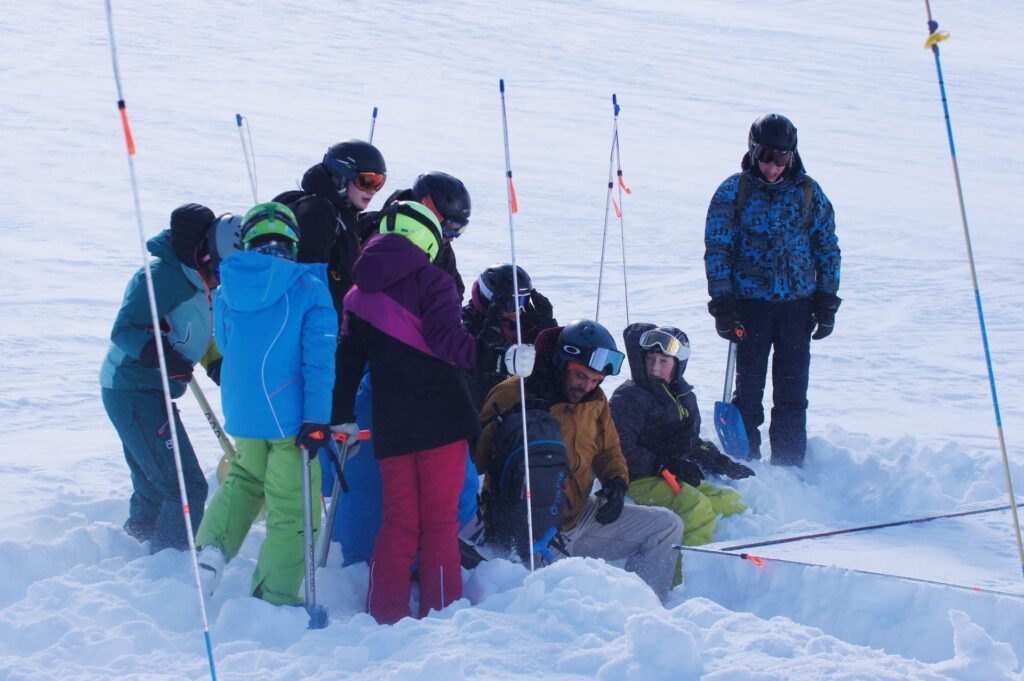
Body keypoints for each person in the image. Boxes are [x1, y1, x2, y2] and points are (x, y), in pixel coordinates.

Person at [331, 201, 533, 624]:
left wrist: (341, 415)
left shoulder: (355, 293)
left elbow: (347, 363)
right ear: (427, 238)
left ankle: (383, 616)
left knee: (399, 522)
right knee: (439, 524)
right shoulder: (433, 281)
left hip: (391, 424)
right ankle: (441, 618)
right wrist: (502, 359)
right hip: (440, 418)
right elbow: (448, 342)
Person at [475, 320, 684, 600]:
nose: (587, 386)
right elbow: (475, 458)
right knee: (553, 605)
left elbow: (609, 451)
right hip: (526, 532)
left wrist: (616, 484)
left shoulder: (595, 401)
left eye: (596, 380)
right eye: (580, 376)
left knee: (667, 526)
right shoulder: (515, 393)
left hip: (579, 517)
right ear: (563, 361)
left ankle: (647, 609)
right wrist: (513, 424)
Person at [194, 202, 337, 606]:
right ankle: (273, 597)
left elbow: (224, 341)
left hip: (245, 412)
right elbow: (319, 362)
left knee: (245, 480)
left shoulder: (225, 290)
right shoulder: (307, 288)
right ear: (292, 240)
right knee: (292, 509)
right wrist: (318, 420)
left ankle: (212, 547)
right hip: (292, 419)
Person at [704, 113, 841, 465]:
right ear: (753, 150)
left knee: (793, 393)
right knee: (748, 392)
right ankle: (746, 462)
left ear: (792, 155)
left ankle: (790, 463)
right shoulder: (734, 191)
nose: (773, 166)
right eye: (766, 155)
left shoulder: (809, 192)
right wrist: (723, 304)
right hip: (750, 308)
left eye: (782, 157)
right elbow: (718, 250)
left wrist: (826, 300)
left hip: (797, 307)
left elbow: (826, 247)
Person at [100, 203, 238, 552]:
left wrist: (216, 362)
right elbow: (124, 330)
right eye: (226, 267)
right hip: (132, 388)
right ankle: (172, 564)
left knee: (153, 483)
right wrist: (160, 354)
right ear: (205, 254)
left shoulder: (205, 284)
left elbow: (199, 334)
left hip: (152, 390)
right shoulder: (162, 277)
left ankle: (139, 551)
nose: (228, 276)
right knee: (186, 487)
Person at [610, 323, 752, 553]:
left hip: (669, 473)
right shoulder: (629, 397)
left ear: (678, 365)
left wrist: (720, 462)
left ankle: (732, 568)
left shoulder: (684, 397)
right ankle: (686, 573)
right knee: (695, 508)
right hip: (637, 478)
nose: (655, 367)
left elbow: (690, 441)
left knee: (730, 501)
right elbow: (619, 447)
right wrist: (663, 465)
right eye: (650, 359)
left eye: (663, 361)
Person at [273, 139, 387, 315]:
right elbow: (308, 281)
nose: (372, 190)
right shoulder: (318, 212)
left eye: (379, 182)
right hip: (314, 328)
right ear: (341, 176)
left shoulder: (344, 218)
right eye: (366, 181)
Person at [360, 171, 472, 298]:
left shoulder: (441, 250)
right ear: (428, 214)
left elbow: (455, 290)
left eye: (460, 229)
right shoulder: (373, 233)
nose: (453, 237)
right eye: (450, 227)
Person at [462, 263, 558, 409]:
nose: (518, 310)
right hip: (481, 409)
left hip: (523, 408)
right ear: (491, 301)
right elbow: (476, 369)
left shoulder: (527, 325)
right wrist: (491, 329)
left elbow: (548, 368)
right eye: (512, 303)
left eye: (523, 301)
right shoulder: (464, 325)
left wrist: (546, 331)